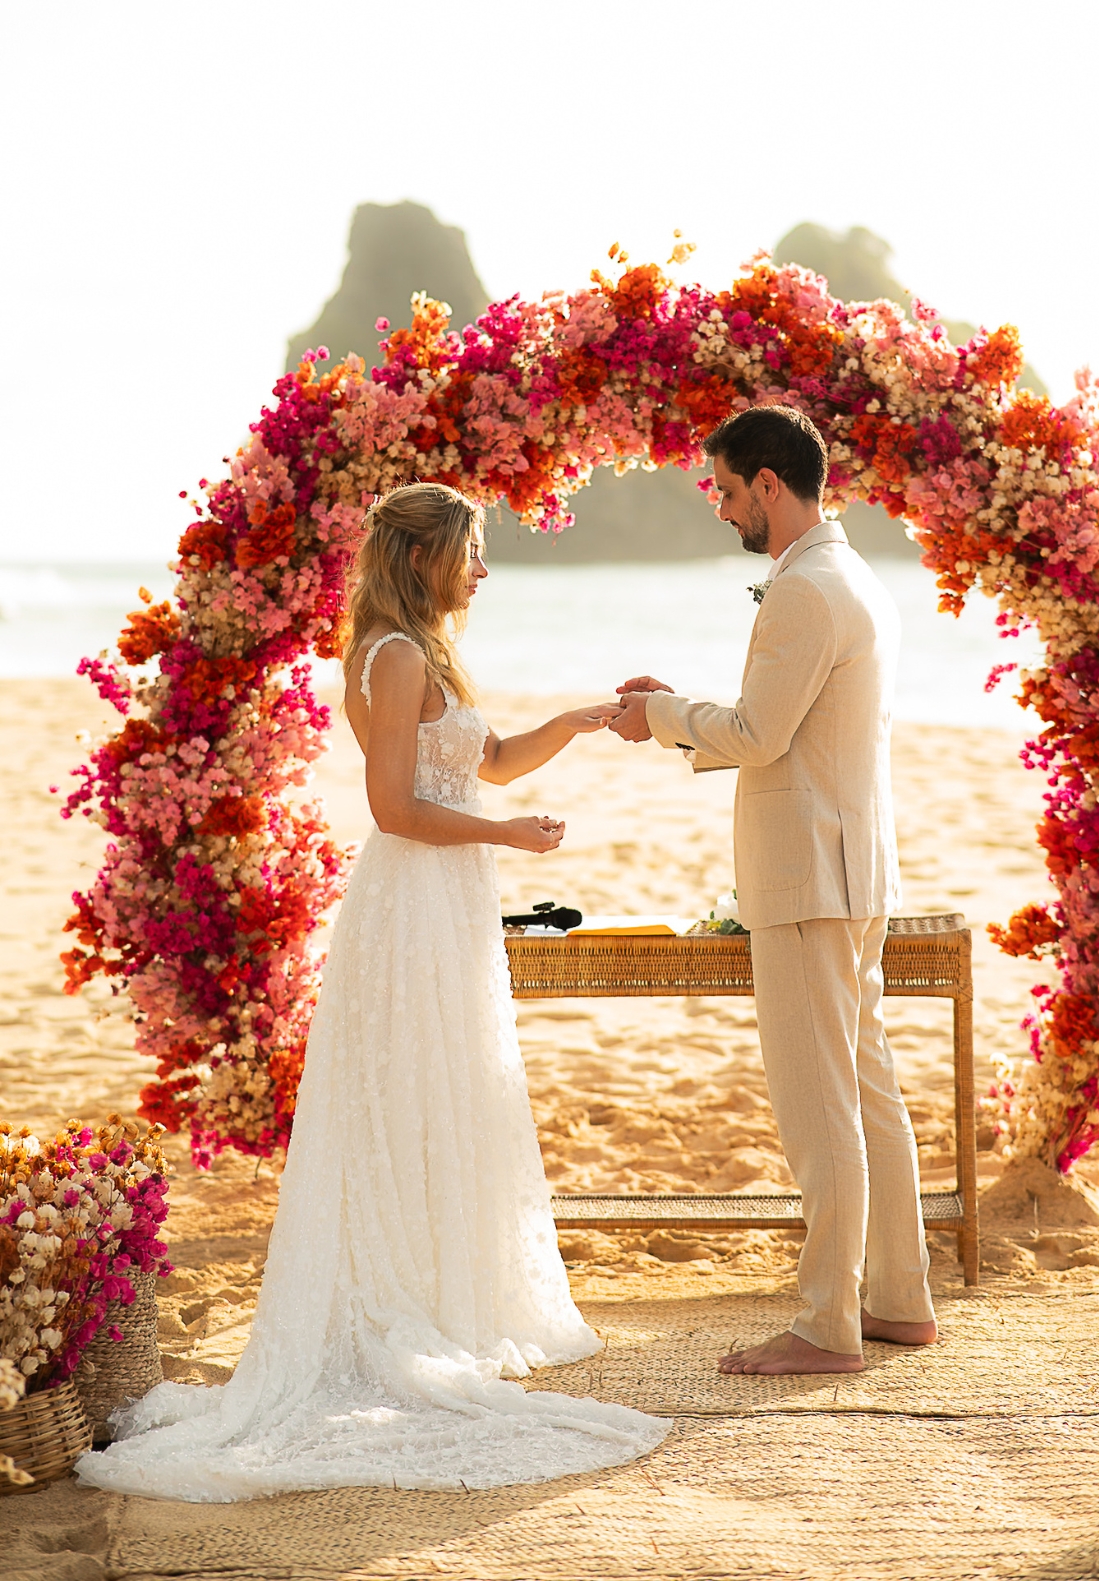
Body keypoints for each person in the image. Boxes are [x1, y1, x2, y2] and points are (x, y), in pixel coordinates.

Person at [76, 482, 666, 1500]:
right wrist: (504, 835)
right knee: (404, 1097)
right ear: (427, 557)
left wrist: (573, 720)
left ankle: (443, 1289)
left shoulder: (429, 652)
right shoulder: (392, 658)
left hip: (448, 901)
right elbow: (397, 808)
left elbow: (487, 761)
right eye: (470, 552)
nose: (482, 570)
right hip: (412, 897)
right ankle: (397, 1301)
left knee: (449, 1091)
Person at [610, 406, 937, 1375]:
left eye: (721, 488)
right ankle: (896, 1297)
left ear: (766, 482)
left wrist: (659, 714)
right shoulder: (856, 577)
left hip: (805, 877)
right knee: (866, 1085)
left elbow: (756, 733)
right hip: (853, 865)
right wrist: (677, 709)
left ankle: (826, 1322)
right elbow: (787, 722)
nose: (718, 508)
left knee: (817, 1100)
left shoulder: (801, 588)